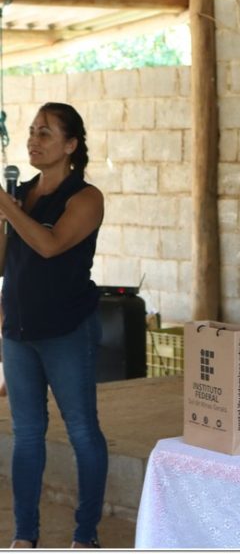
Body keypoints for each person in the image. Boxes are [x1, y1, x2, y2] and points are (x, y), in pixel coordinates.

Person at [0, 102, 107, 548]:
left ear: (70, 145)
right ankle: (25, 536)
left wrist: (8, 209)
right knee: (26, 435)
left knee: (81, 431)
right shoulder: (20, 194)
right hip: (18, 332)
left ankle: (85, 535)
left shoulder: (86, 198)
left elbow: (49, 245)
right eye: (31, 131)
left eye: (45, 133)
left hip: (67, 330)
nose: (33, 140)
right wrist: (4, 215)